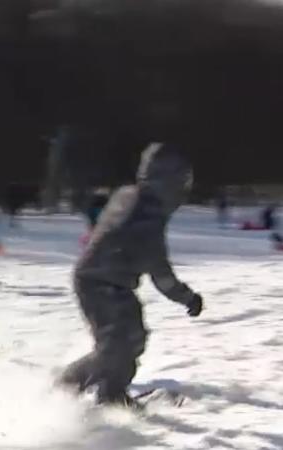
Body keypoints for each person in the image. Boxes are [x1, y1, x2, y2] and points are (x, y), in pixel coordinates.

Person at [58, 143, 203, 406]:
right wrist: (188, 298)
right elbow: (160, 272)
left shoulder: (129, 194)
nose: (184, 190)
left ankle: (112, 393)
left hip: (111, 283)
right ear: (169, 182)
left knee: (133, 339)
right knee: (115, 348)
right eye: (182, 182)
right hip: (99, 283)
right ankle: (63, 388)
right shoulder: (147, 217)